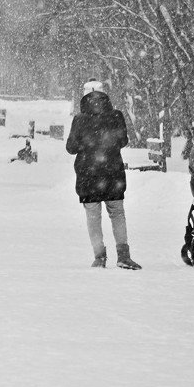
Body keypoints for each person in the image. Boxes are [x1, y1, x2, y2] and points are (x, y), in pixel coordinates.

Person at [65, 80, 141, 269]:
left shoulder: (80, 119)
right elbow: (123, 141)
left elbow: (71, 148)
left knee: (93, 216)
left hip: (88, 175)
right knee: (117, 213)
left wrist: (87, 144)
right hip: (112, 173)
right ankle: (123, 255)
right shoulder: (116, 116)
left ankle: (99, 256)